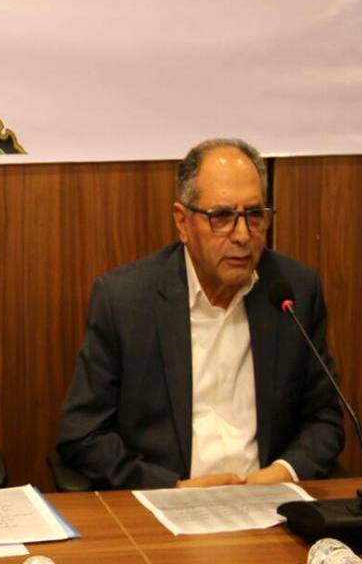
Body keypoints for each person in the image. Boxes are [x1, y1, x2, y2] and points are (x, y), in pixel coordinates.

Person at [56, 138, 344, 489]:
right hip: (168, 506)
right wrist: (173, 489)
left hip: (270, 501)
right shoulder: (125, 302)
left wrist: (284, 472)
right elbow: (83, 434)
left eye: (254, 215)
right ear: (183, 222)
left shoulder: (293, 292)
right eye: (222, 217)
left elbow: (325, 418)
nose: (242, 235)